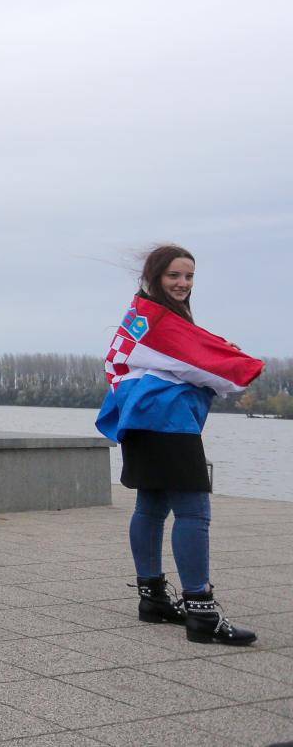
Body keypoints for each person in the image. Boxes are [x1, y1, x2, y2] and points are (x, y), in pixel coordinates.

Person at [95, 244, 263, 645]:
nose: (183, 283)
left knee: (151, 506)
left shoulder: (142, 317)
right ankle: (200, 611)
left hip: (140, 416)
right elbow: (200, 360)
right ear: (155, 277)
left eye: (189, 276)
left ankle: (152, 599)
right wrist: (242, 363)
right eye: (174, 275)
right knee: (194, 511)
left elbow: (186, 352)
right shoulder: (158, 321)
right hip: (164, 420)